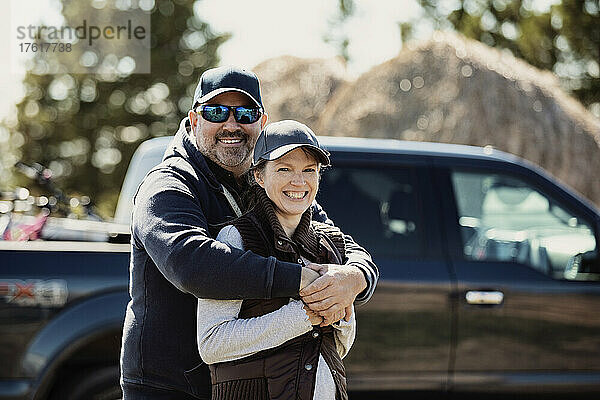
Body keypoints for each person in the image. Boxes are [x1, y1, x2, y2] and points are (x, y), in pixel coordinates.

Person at [120, 66, 378, 399]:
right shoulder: (168, 185)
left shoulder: (269, 181)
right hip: (169, 384)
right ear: (195, 120)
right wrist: (300, 279)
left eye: (245, 113)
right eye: (216, 112)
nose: (232, 124)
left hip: (239, 381)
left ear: (261, 122)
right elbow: (191, 264)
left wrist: (356, 277)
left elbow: (331, 236)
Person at [197, 120, 356, 400]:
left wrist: (340, 315)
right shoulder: (236, 238)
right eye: (284, 169)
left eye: (310, 170)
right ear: (259, 175)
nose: (299, 181)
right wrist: (303, 315)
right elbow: (212, 343)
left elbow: (340, 346)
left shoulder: (328, 245)